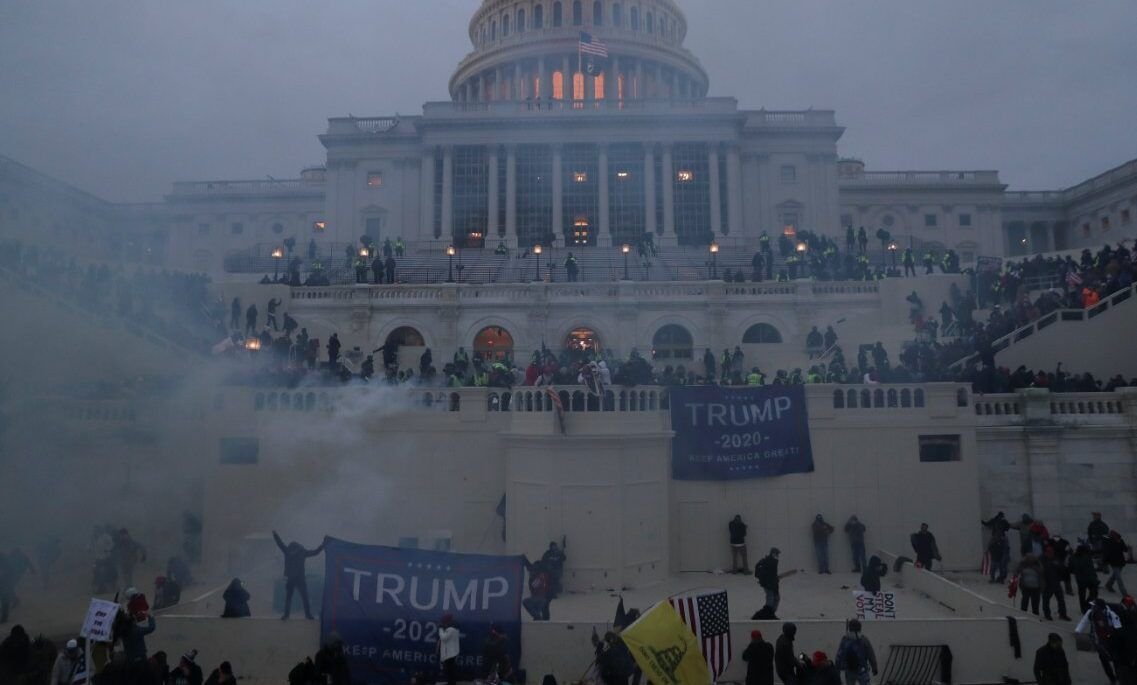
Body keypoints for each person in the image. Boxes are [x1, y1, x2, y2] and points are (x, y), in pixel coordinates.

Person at [272, 531, 326, 620]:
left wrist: (275, 535)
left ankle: (286, 615)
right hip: (300, 578)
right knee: (305, 597)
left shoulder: (287, 551)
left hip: (291, 578)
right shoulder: (302, 552)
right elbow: (315, 552)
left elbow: (280, 543)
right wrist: (323, 545)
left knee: (289, 597)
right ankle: (308, 615)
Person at [1076, 598, 1123, 684]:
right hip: (1099, 640)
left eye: (1094, 606)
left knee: (1116, 660)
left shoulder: (1110, 614)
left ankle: (1119, 676)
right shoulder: (1091, 613)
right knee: (1104, 660)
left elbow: (1117, 626)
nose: (1092, 607)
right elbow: (1084, 621)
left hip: (1111, 640)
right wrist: (1078, 631)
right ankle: (1112, 678)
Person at [835, 619, 878, 685]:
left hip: (849, 669)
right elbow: (871, 654)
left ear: (849, 628)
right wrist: (874, 668)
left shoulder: (845, 639)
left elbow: (839, 655)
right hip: (862, 669)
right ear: (860, 628)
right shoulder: (863, 639)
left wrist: (837, 669)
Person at [1040, 545, 1071, 621]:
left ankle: (1063, 614)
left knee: (1061, 600)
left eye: (1051, 552)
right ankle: (1047, 614)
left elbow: (1062, 569)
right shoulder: (1042, 560)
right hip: (1047, 583)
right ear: (1046, 552)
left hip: (1056, 582)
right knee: (1046, 600)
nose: (1050, 553)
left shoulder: (1056, 559)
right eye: (1049, 552)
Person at [1071, 544, 1100, 613]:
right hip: (1088, 579)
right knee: (1093, 593)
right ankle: (1086, 605)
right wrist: (1095, 579)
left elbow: (1073, 568)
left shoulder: (1074, 557)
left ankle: (1084, 607)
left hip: (1080, 579)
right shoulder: (1086, 557)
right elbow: (1091, 570)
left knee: (1082, 595)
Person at [756, 548, 782, 615]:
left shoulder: (772, 561)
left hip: (771, 584)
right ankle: (768, 614)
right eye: (777, 554)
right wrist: (773, 580)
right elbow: (769, 574)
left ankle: (771, 613)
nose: (778, 556)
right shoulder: (771, 562)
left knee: (776, 598)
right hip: (769, 584)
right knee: (771, 598)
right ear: (773, 554)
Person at [1103, 530, 1129, 596]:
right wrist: (1105, 562)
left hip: (1120, 561)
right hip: (1114, 562)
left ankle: (1108, 585)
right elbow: (1107, 552)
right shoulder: (1109, 541)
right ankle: (1124, 593)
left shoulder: (1120, 540)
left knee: (1115, 575)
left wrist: (1122, 544)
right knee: (1118, 578)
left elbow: (1125, 549)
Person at [437, 614, 460, 685]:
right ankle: (451, 682)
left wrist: (440, 629)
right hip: (451, 653)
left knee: (450, 671)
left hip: (450, 654)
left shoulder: (451, 630)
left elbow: (443, 638)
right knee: (450, 671)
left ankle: (451, 683)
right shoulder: (453, 629)